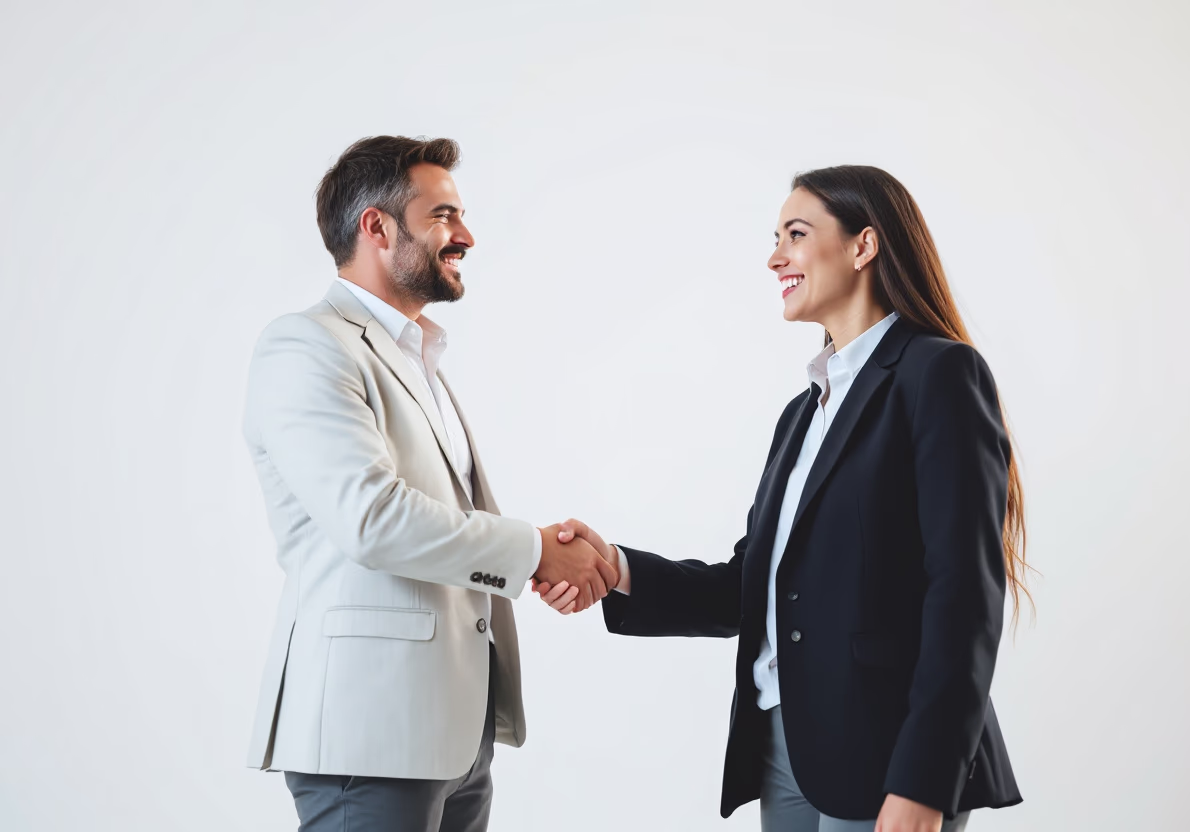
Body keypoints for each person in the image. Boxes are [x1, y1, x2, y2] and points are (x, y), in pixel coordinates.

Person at [534, 165, 1027, 831]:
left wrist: (925, 780)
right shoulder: (804, 412)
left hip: (890, 757)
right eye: (776, 238)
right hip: (785, 749)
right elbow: (754, 585)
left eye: (795, 234)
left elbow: (964, 595)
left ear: (864, 245)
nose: (774, 257)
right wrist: (615, 568)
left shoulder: (936, 372)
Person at [242, 135, 616, 832]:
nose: (465, 236)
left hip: (451, 732)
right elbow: (372, 518)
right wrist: (535, 552)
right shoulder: (306, 346)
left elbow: (449, 521)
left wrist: (544, 565)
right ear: (376, 227)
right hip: (369, 732)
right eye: (442, 216)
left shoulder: (419, 357)